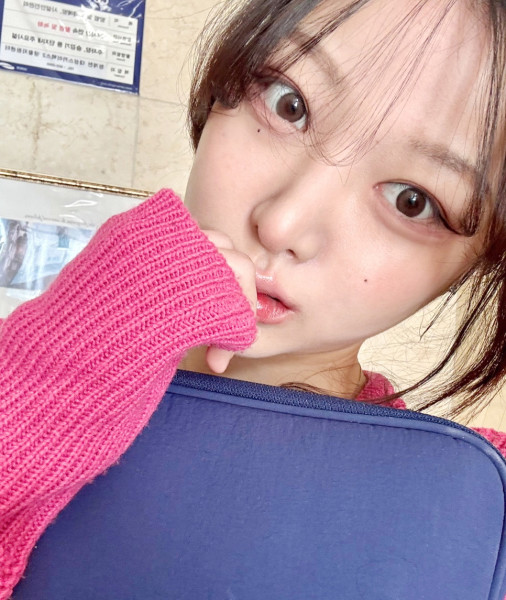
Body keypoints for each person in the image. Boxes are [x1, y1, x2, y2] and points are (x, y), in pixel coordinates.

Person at [1, 0, 506, 596]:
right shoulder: (30, 364)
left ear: (482, 259)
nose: (283, 224)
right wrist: (71, 356)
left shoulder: (477, 516)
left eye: (411, 201)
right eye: (289, 104)